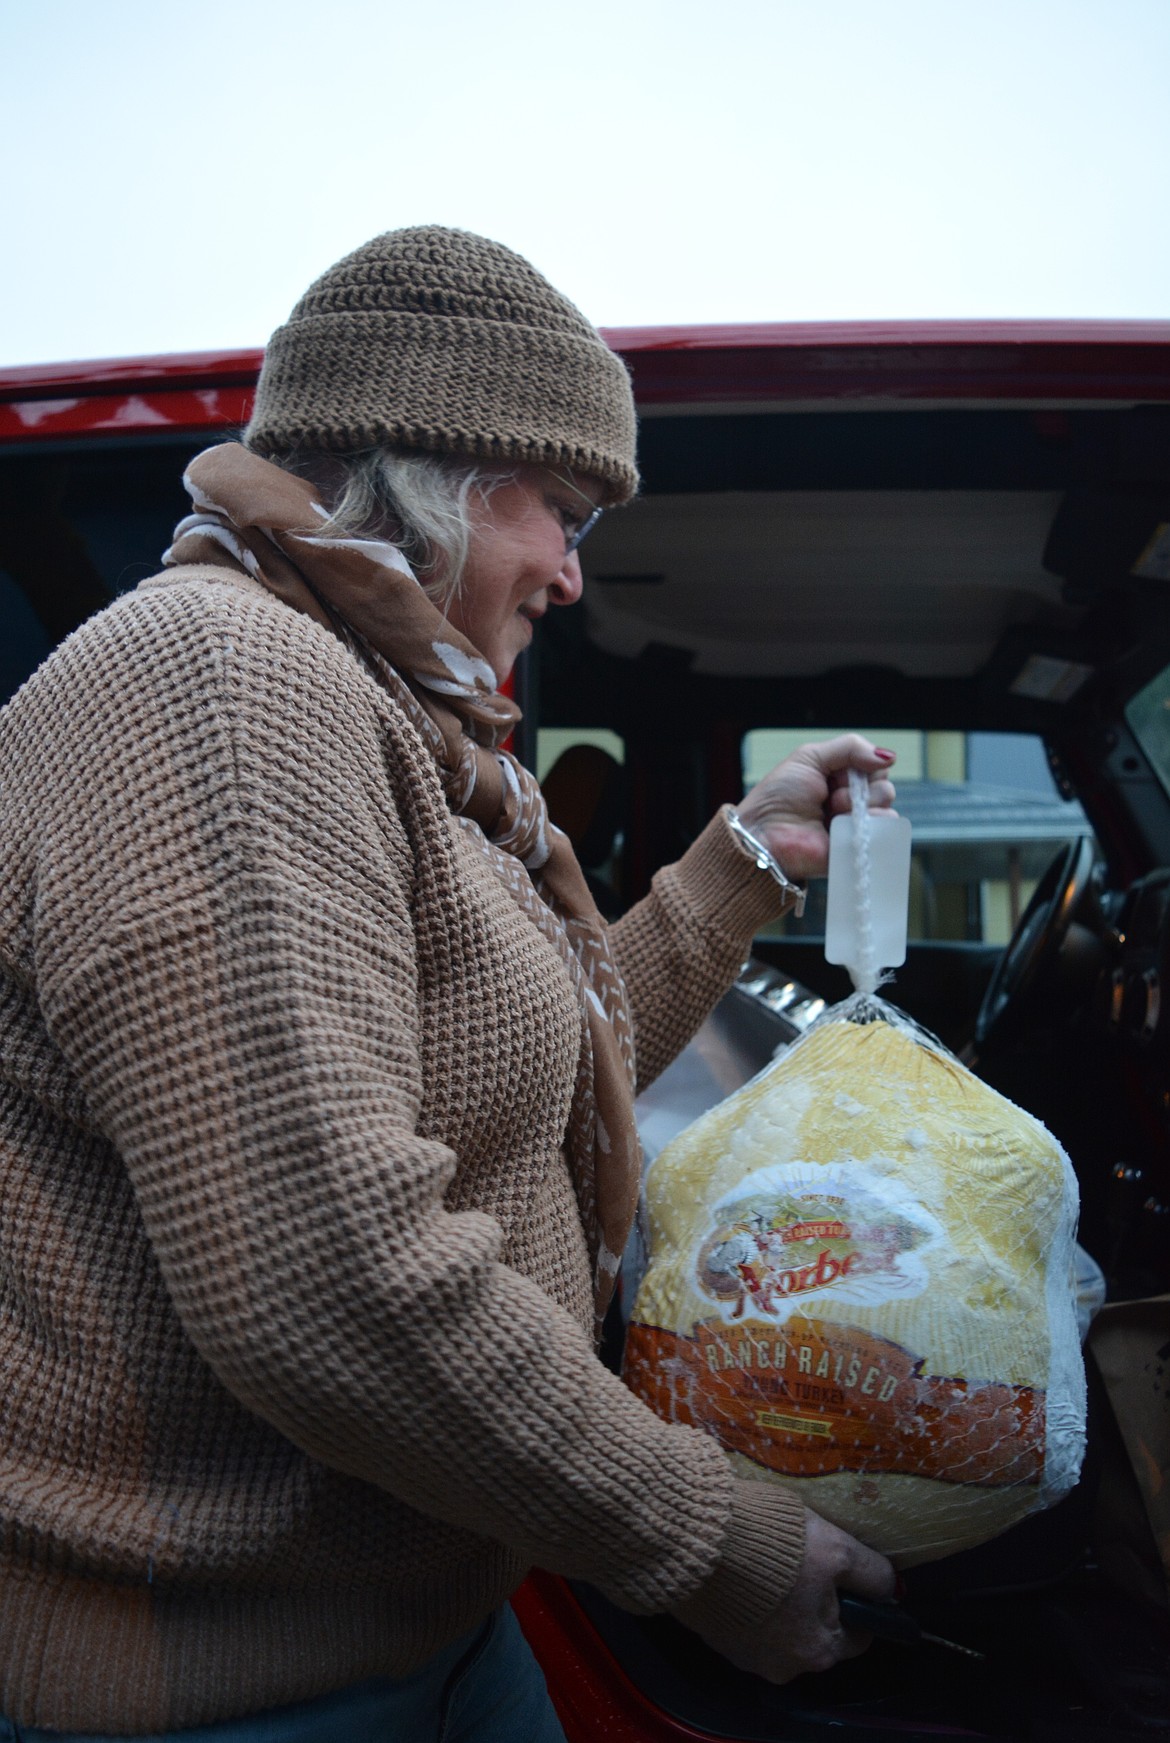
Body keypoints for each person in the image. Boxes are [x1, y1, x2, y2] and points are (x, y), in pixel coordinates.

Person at [0, 227, 897, 1740]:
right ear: (433, 476)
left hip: (416, 1632)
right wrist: (704, 1544)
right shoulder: (226, 681)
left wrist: (741, 860)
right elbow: (320, 1277)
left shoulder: (380, 711)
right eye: (557, 510)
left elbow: (533, 1064)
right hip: (231, 1691)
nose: (568, 571)